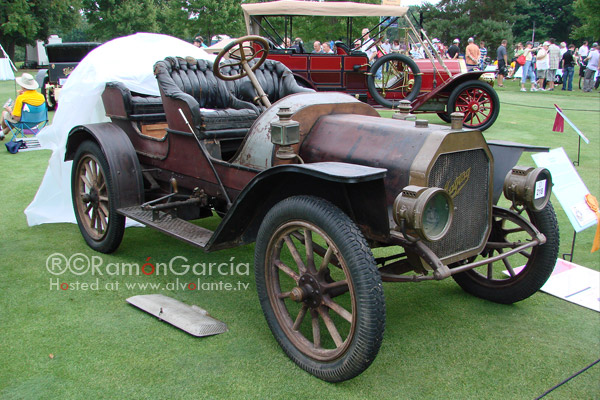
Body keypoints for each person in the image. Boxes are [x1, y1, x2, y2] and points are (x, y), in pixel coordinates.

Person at [1, 73, 45, 140]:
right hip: (38, 120)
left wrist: (9, 110)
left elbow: (16, 118)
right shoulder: (41, 96)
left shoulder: (21, 98)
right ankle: (2, 133)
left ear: (23, 86)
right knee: (14, 119)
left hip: (24, 122)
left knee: (5, 113)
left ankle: (2, 132)